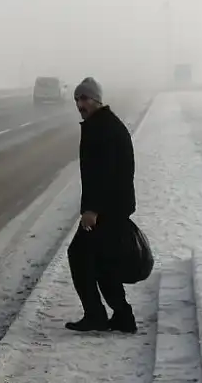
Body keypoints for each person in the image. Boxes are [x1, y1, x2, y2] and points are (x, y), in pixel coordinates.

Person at [64, 77, 138, 334]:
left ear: (97, 100)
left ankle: (98, 315)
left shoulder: (103, 128)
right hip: (113, 207)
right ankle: (121, 316)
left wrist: (93, 210)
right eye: (77, 99)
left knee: (80, 255)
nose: (80, 104)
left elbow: (106, 174)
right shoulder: (100, 124)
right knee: (102, 262)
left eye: (84, 99)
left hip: (108, 209)